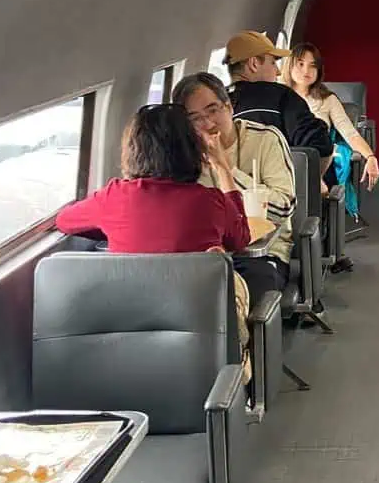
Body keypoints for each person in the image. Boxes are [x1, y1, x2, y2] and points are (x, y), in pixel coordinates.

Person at [54, 102, 253, 353]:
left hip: (127, 322)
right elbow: (241, 239)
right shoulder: (210, 201)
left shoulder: (113, 197)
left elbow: (64, 221)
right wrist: (222, 168)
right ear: (192, 149)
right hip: (199, 324)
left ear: (132, 150)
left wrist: (116, 227)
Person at [173, 72, 296, 304]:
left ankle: (246, 341)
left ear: (229, 106)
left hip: (261, 254)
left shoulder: (266, 140)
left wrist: (226, 168)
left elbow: (283, 209)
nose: (207, 123)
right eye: (195, 118)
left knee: (248, 291)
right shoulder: (180, 156)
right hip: (202, 255)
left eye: (212, 110)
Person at [283, 43, 379, 218]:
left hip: (319, 160)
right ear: (289, 65)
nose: (306, 70)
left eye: (313, 65)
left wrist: (370, 157)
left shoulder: (327, 100)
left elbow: (350, 133)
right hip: (284, 158)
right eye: (300, 63)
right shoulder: (279, 96)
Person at [223, 30, 334, 165]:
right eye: (273, 63)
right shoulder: (282, 96)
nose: (278, 71)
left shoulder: (215, 104)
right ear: (254, 64)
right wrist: (317, 181)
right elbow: (321, 146)